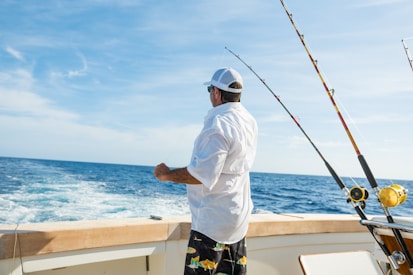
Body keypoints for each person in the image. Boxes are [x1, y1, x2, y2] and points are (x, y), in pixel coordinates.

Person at [154, 67, 258, 275]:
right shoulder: (249, 121)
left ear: (217, 93)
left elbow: (200, 174)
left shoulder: (219, 124)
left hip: (211, 227)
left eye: (210, 89)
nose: (210, 94)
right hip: (237, 223)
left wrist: (165, 175)